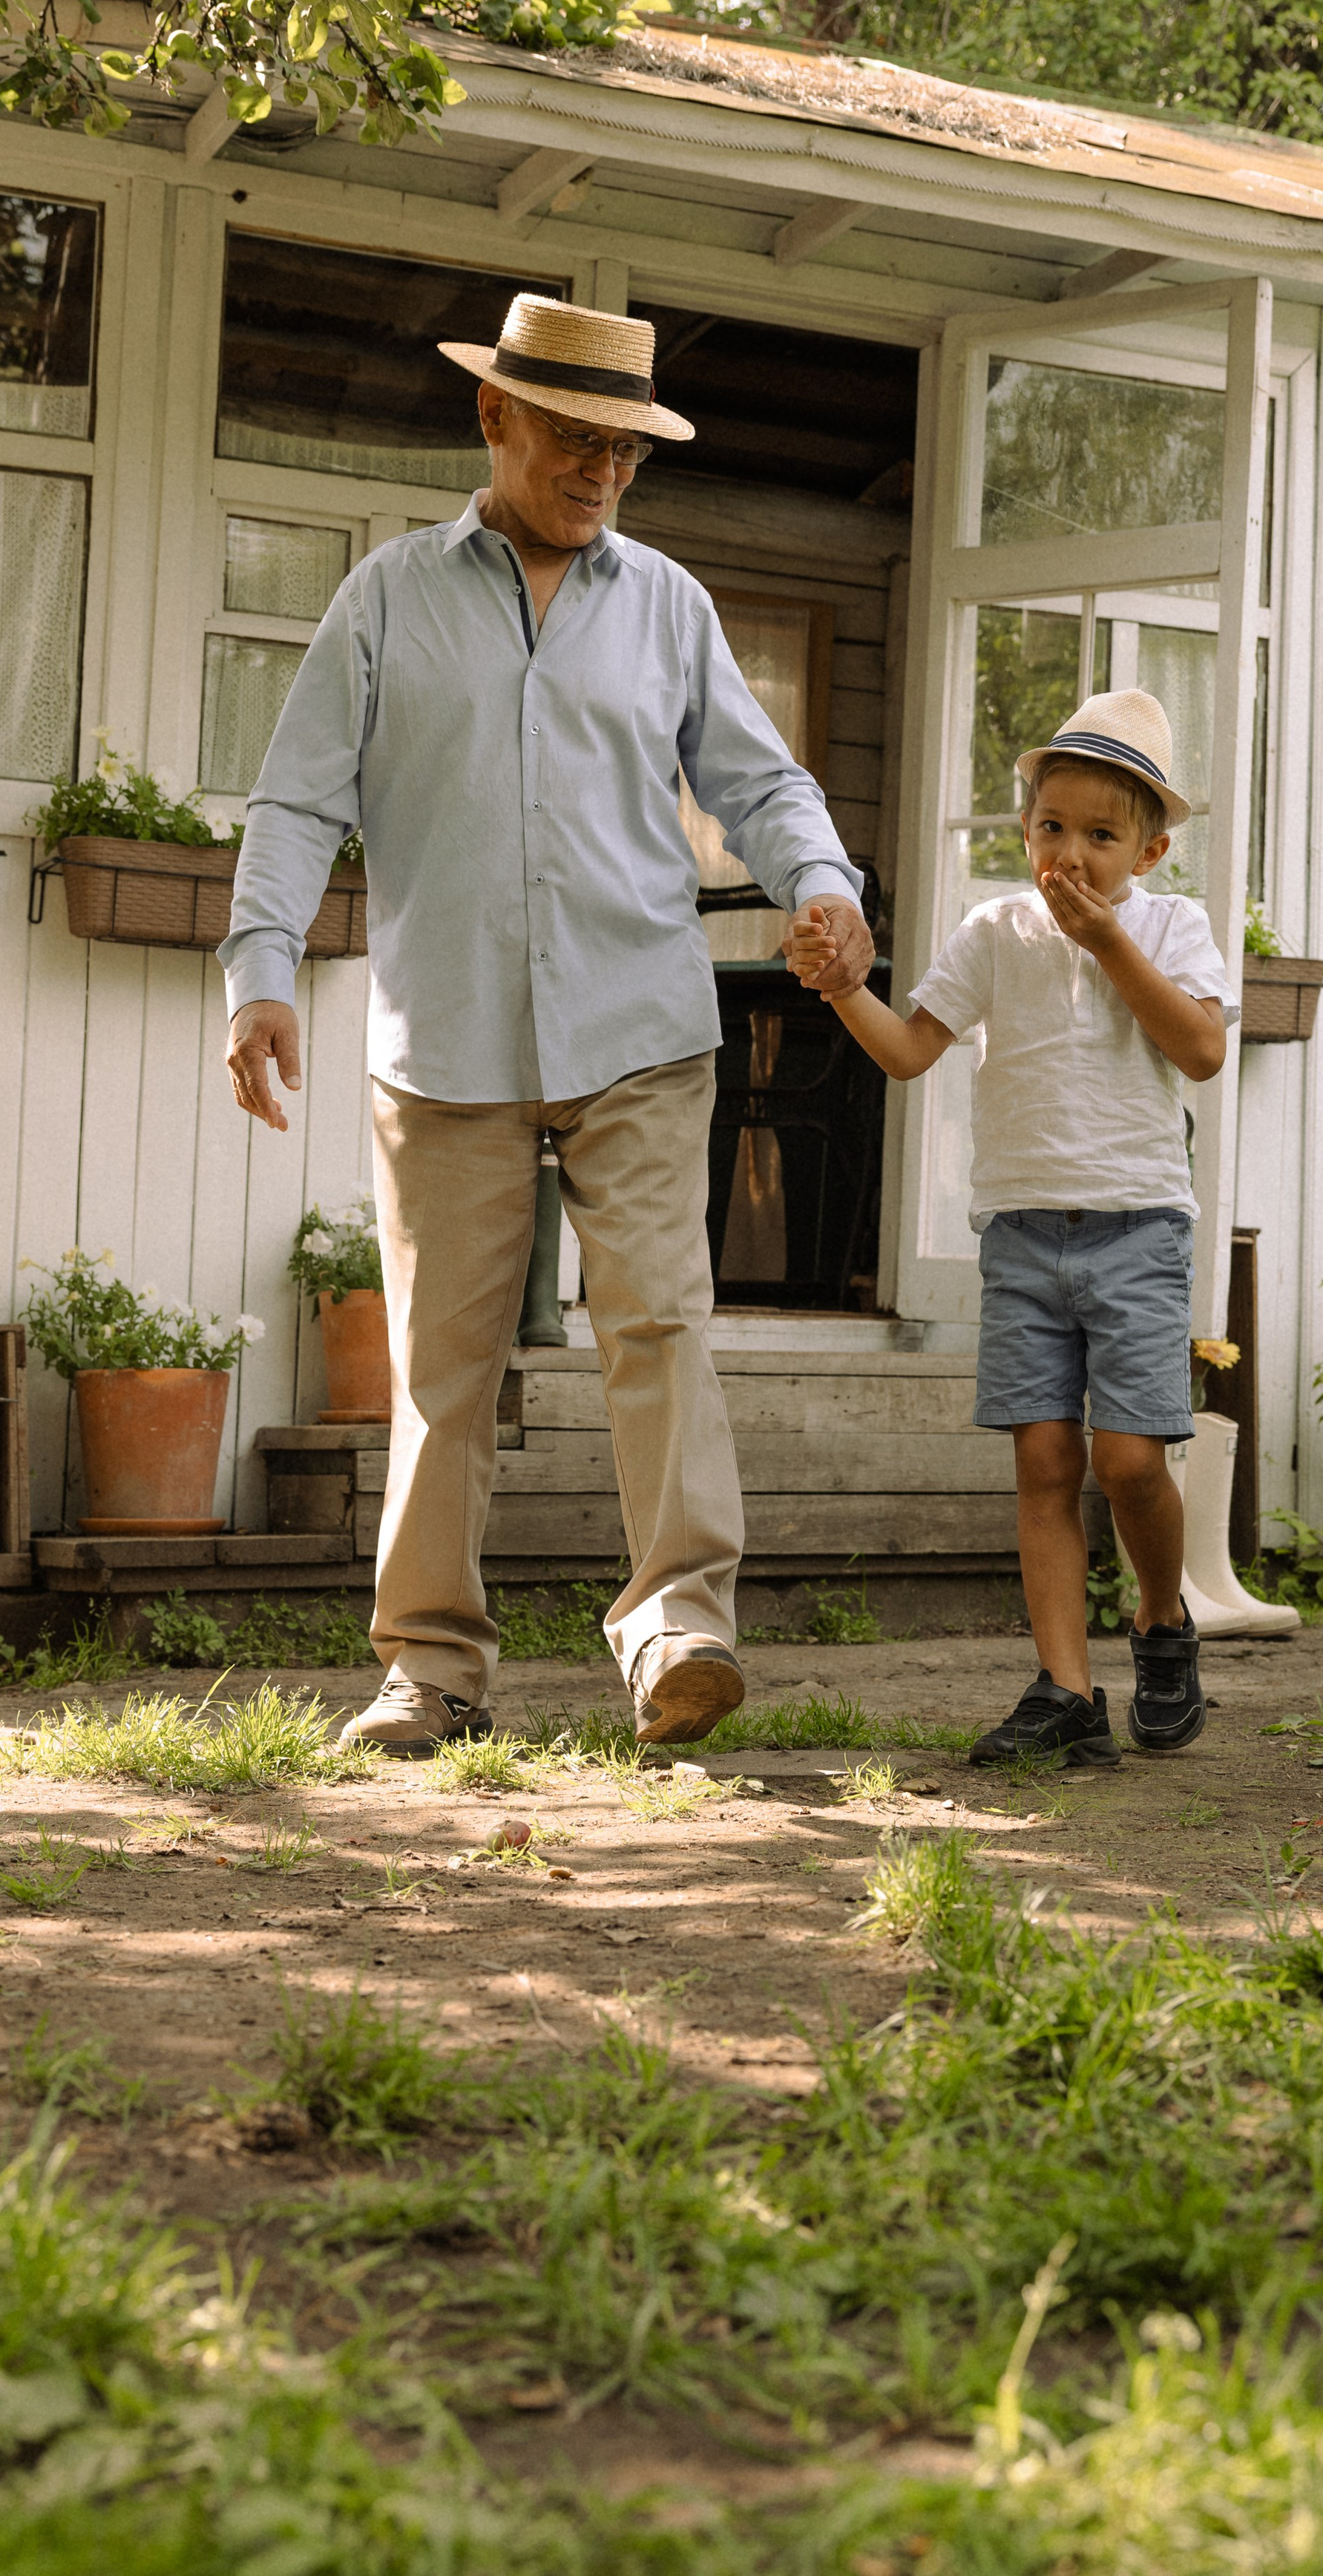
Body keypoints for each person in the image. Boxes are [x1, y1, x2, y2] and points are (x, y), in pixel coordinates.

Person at [220, 294, 875, 1755]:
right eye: (574, 439)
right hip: (441, 1041)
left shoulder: (668, 609)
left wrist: (819, 883)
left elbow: (760, 789)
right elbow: (294, 800)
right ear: (494, 417)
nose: (598, 471)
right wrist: (259, 968)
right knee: (440, 1371)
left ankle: (677, 1632)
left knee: (657, 1322)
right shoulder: (387, 598)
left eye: (624, 452)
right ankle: (431, 1671)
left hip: (637, 1024)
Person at [787, 691, 1236, 1769]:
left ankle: (1163, 1626)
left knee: (1130, 1460)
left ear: (1151, 847)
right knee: (1044, 1458)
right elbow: (907, 1050)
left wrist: (1110, 940)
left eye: (1101, 835)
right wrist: (847, 987)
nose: (1070, 853)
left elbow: (1203, 1051)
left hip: (1136, 1229)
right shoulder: (994, 931)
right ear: (1026, 827)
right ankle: (1067, 1691)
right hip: (1024, 1235)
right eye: (1051, 828)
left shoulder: (1173, 926)